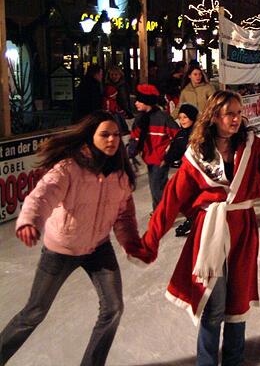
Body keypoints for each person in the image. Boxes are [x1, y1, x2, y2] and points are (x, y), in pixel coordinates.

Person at [138, 90, 260, 365]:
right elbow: (172, 198)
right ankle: (206, 362)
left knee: (238, 302)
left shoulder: (253, 147)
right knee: (213, 304)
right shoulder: (196, 154)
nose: (237, 119)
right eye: (230, 113)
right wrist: (150, 240)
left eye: (239, 113)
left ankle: (234, 361)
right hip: (210, 232)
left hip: (242, 229)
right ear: (214, 116)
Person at [0, 111, 148, 366]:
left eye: (115, 135)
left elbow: (124, 217)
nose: (112, 140)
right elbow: (42, 195)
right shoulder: (70, 167)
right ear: (91, 137)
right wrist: (30, 221)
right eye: (104, 135)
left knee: (113, 308)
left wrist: (132, 243)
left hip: (98, 247)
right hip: (61, 250)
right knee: (34, 312)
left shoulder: (120, 175)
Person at [129, 84, 179, 209]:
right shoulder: (140, 119)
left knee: (157, 186)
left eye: (139, 101)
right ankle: (162, 208)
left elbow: (178, 137)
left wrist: (168, 156)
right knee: (155, 185)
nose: (136, 103)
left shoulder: (163, 117)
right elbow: (135, 137)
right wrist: (131, 153)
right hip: (149, 158)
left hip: (161, 159)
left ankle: (162, 211)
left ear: (147, 102)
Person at [162, 104, 199, 237]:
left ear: (193, 118)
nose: (182, 120)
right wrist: (166, 159)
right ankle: (192, 218)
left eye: (185, 117)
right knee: (183, 197)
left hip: (200, 171)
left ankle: (196, 220)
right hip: (187, 172)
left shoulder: (200, 133)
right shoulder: (181, 134)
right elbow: (175, 150)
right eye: (180, 117)